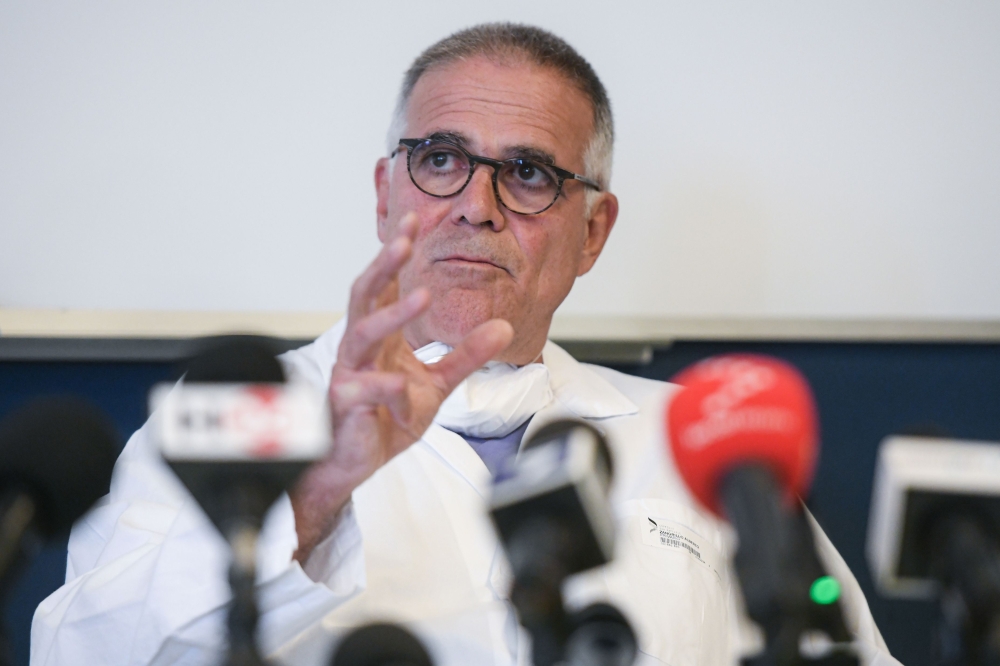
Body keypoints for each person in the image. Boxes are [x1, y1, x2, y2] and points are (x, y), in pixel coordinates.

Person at [31, 23, 900, 666]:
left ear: (593, 232)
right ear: (386, 194)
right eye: (441, 159)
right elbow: (82, 652)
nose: (475, 206)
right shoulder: (236, 414)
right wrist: (317, 490)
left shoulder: (707, 435)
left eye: (529, 173)